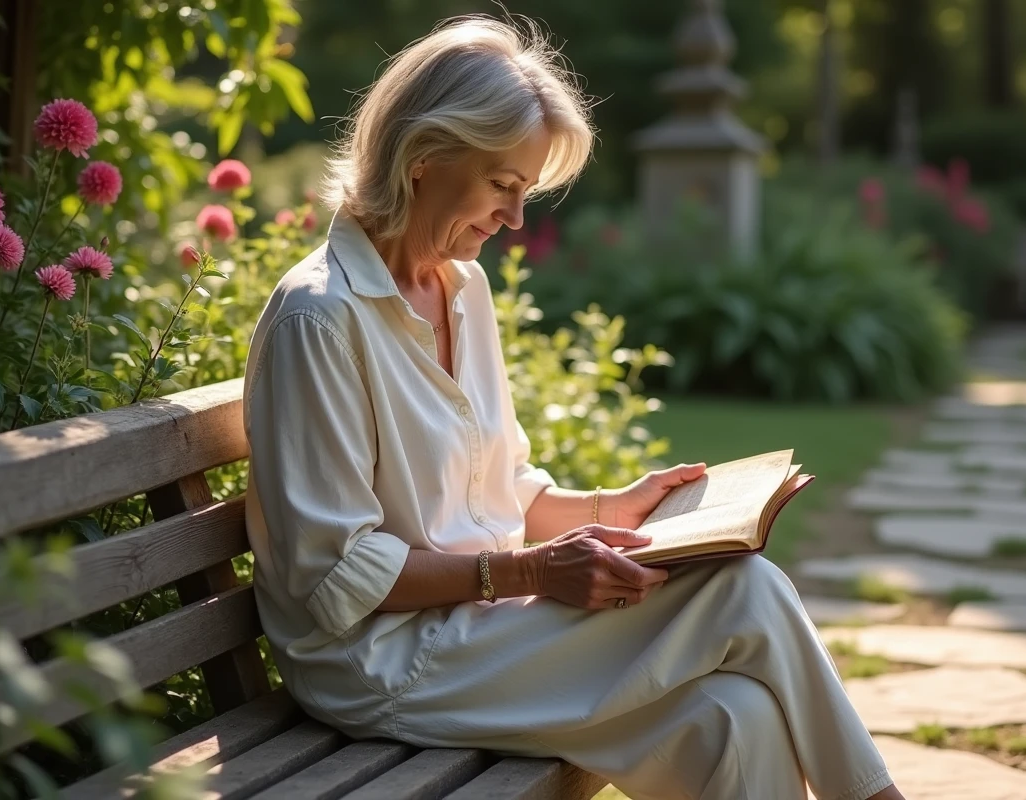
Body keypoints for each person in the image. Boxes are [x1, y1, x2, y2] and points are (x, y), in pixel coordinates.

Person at [243, 16, 904, 800]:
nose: (516, 218)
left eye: (526, 192)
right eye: (503, 185)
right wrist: (526, 571)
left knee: (736, 718)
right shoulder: (319, 318)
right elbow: (337, 575)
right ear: (424, 159)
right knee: (745, 589)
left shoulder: (463, 289)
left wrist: (612, 508)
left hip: (478, 630)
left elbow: (501, 487)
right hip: (378, 660)